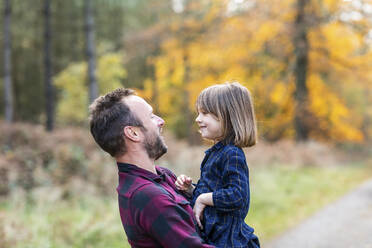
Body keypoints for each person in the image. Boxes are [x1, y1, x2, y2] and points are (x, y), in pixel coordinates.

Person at [89, 88, 214, 248]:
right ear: (133, 133)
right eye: (151, 116)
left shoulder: (163, 175)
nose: (161, 120)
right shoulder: (148, 196)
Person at [175, 82, 260, 248]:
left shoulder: (232, 154)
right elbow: (216, 191)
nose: (197, 119)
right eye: (198, 113)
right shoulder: (217, 152)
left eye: (205, 113)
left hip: (229, 241)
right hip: (214, 236)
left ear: (228, 117)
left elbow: (238, 196)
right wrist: (192, 190)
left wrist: (202, 199)